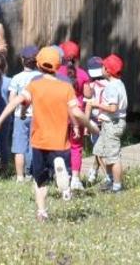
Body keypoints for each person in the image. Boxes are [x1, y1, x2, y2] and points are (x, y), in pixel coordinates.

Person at [0, 45, 97, 221]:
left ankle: (42, 211)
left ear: (38, 65)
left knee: (40, 180)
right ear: (58, 66)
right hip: (60, 142)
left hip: (39, 141)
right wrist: (88, 126)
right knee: (62, 167)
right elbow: (75, 112)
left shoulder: (34, 85)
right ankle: (64, 184)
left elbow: (16, 102)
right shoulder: (66, 86)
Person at [88, 54, 128, 193]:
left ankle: (117, 186)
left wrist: (97, 104)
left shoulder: (111, 87)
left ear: (107, 70)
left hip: (113, 124)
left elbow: (113, 108)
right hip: (108, 123)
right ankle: (110, 179)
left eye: (103, 67)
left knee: (113, 157)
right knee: (99, 151)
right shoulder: (119, 83)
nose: (101, 69)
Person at [55, 40, 90, 189]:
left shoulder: (57, 73)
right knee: (76, 147)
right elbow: (88, 94)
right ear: (78, 57)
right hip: (77, 115)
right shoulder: (82, 74)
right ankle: (75, 178)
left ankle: (61, 175)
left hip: (60, 115)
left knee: (59, 146)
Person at [8, 45, 41, 182]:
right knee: (33, 146)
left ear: (22, 60)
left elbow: (12, 99)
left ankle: (20, 177)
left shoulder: (16, 78)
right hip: (37, 115)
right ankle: (31, 174)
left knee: (19, 147)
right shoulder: (41, 77)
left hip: (19, 116)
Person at [82, 56, 106, 185]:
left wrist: (85, 125)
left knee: (98, 148)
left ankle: (95, 173)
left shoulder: (89, 86)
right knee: (99, 149)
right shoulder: (109, 84)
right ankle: (95, 170)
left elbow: (88, 107)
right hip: (105, 121)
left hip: (94, 122)